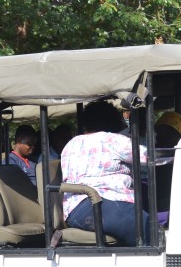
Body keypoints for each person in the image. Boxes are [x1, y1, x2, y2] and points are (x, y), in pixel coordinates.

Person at [61, 101, 149, 245]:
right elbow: (150, 157)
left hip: (74, 213)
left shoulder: (71, 143)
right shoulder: (113, 140)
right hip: (98, 204)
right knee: (147, 228)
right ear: (113, 121)